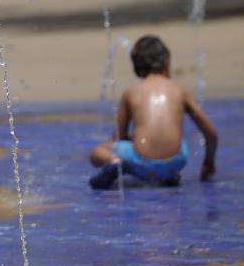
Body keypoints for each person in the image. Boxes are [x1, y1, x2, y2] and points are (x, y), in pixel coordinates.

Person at [88, 35, 218, 190]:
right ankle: (169, 176)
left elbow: (119, 138)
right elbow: (211, 132)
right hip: (176, 160)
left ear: (136, 68)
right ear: (167, 63)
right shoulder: (180, 91)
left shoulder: (131, 92)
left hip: (142, 162)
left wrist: (134, 140)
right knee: (179, 141)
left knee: (97, 152)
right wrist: (208, 162)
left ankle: (116, 163)